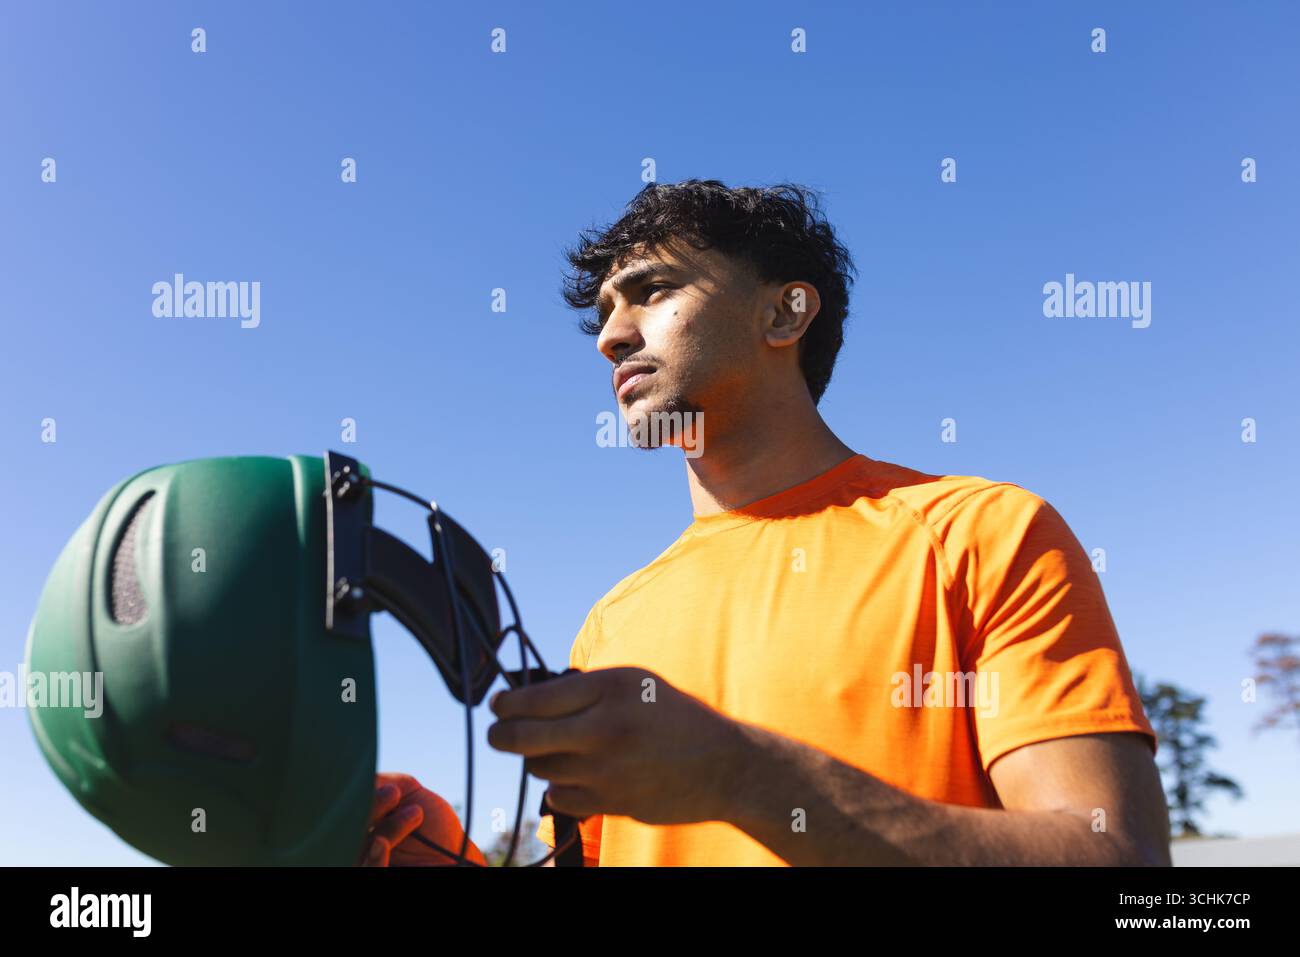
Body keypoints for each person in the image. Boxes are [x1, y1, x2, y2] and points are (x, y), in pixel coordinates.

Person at [361, 180, 1169, 867]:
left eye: (651, 290)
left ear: (784, 315)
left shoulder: (983, 533)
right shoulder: (611, 623)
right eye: (606, 310)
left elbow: (1119, 862)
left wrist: (741, 775)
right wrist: (442, 853)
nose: (610, 335)